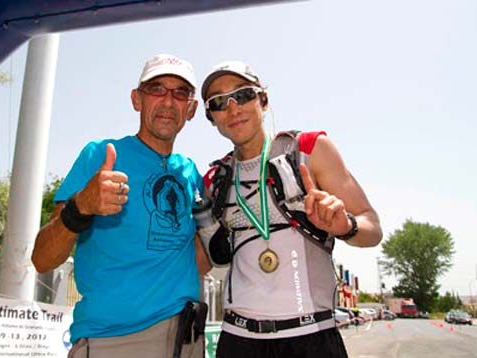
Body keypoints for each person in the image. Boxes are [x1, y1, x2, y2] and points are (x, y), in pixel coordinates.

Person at [198, 61, 382, 358]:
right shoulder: (214, 181)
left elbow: (372, 228)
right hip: (238, 340)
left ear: (264, 100)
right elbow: (198, 263)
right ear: (211, 117)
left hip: (311, 337)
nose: (233, 108)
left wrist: (347, 225)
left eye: (243, 95)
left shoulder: (310, 149)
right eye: (219, 102)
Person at [32, 54, 211, 358]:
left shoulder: (190, 173)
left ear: (191, 109)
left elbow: (198, 259)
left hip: (189, 339)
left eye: (180, 92)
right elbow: (42, 259)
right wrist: (81, 207)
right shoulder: (99, 156)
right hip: (115, 341)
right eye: (156, 89)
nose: (168, 101)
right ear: (136, 99)